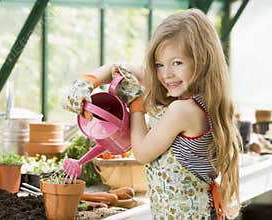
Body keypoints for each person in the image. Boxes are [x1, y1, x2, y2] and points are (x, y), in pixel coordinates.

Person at [63, 8, 241, 220]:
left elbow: (142, 152)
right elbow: (119, 68)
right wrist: (88, 81)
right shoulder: (201, 99)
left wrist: (136, 103)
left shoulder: (182, 110)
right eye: (159, 64)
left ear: (202, 59)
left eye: (177, 63)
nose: (167, 74)